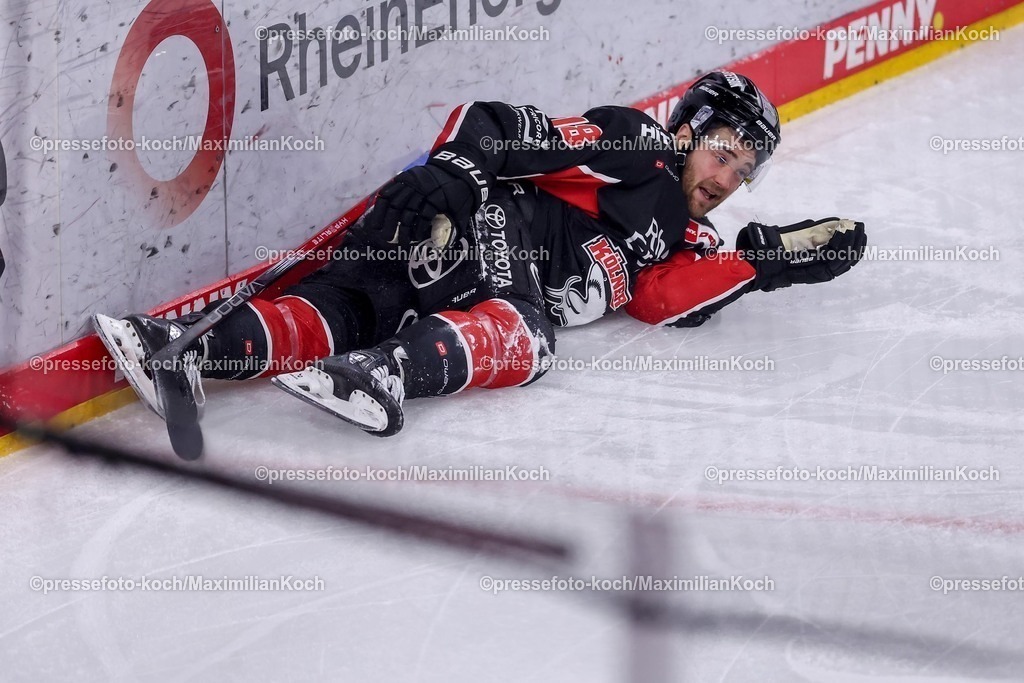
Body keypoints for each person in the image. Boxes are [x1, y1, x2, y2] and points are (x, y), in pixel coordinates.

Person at [94, 71, 867, 437]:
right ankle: (382, 373)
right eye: (724, 154)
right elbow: (498, 122)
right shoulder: (639, 147)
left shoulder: (684, 237)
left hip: (451, 276)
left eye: (744, 171)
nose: (727, 180)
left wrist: (768, 266)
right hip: (475, 224)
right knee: (528, 337)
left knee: (349, 309)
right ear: (690, 130)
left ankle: (182, 348)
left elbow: (665, 299)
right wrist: (458, 171)